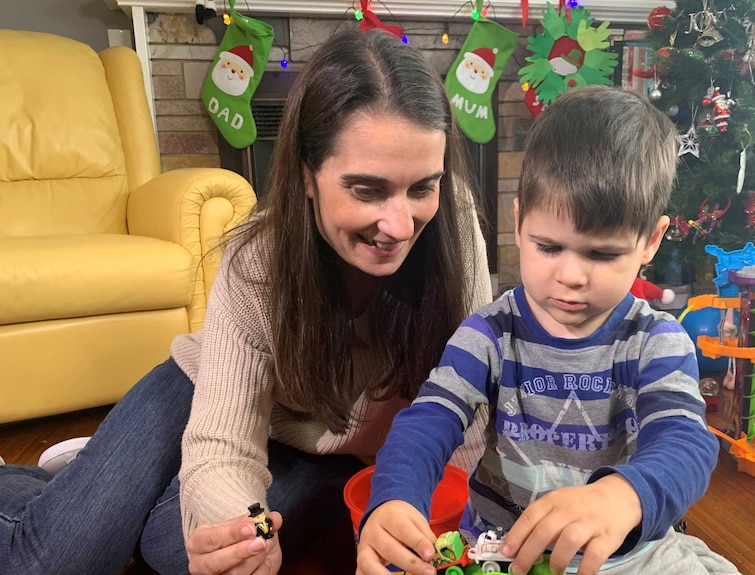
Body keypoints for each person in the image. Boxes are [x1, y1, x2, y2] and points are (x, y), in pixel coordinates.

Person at [0, 29, 491, 575]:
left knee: (172, 548)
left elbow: (469, 413)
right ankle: (71, 484)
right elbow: (225, 443)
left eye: (423, 187)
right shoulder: (257, 256)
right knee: (49, 562)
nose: (400, 226)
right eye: (367, 190)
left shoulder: (456, 234)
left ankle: (90, 483)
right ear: (308, 176)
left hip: (327, 451)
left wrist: (417, 511)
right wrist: (245, 535)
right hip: (206, 391)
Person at [356, 87, 740, 575]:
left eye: (602, 254)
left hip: (621, 554)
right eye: (549, 247)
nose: (572, 277)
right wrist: (395, 499)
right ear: (519, 224)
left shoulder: (655, 340)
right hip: (501, 551)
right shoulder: (490, 332)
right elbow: (428, 421)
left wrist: (622, 494)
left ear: (651, 240)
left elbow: (686, 440)